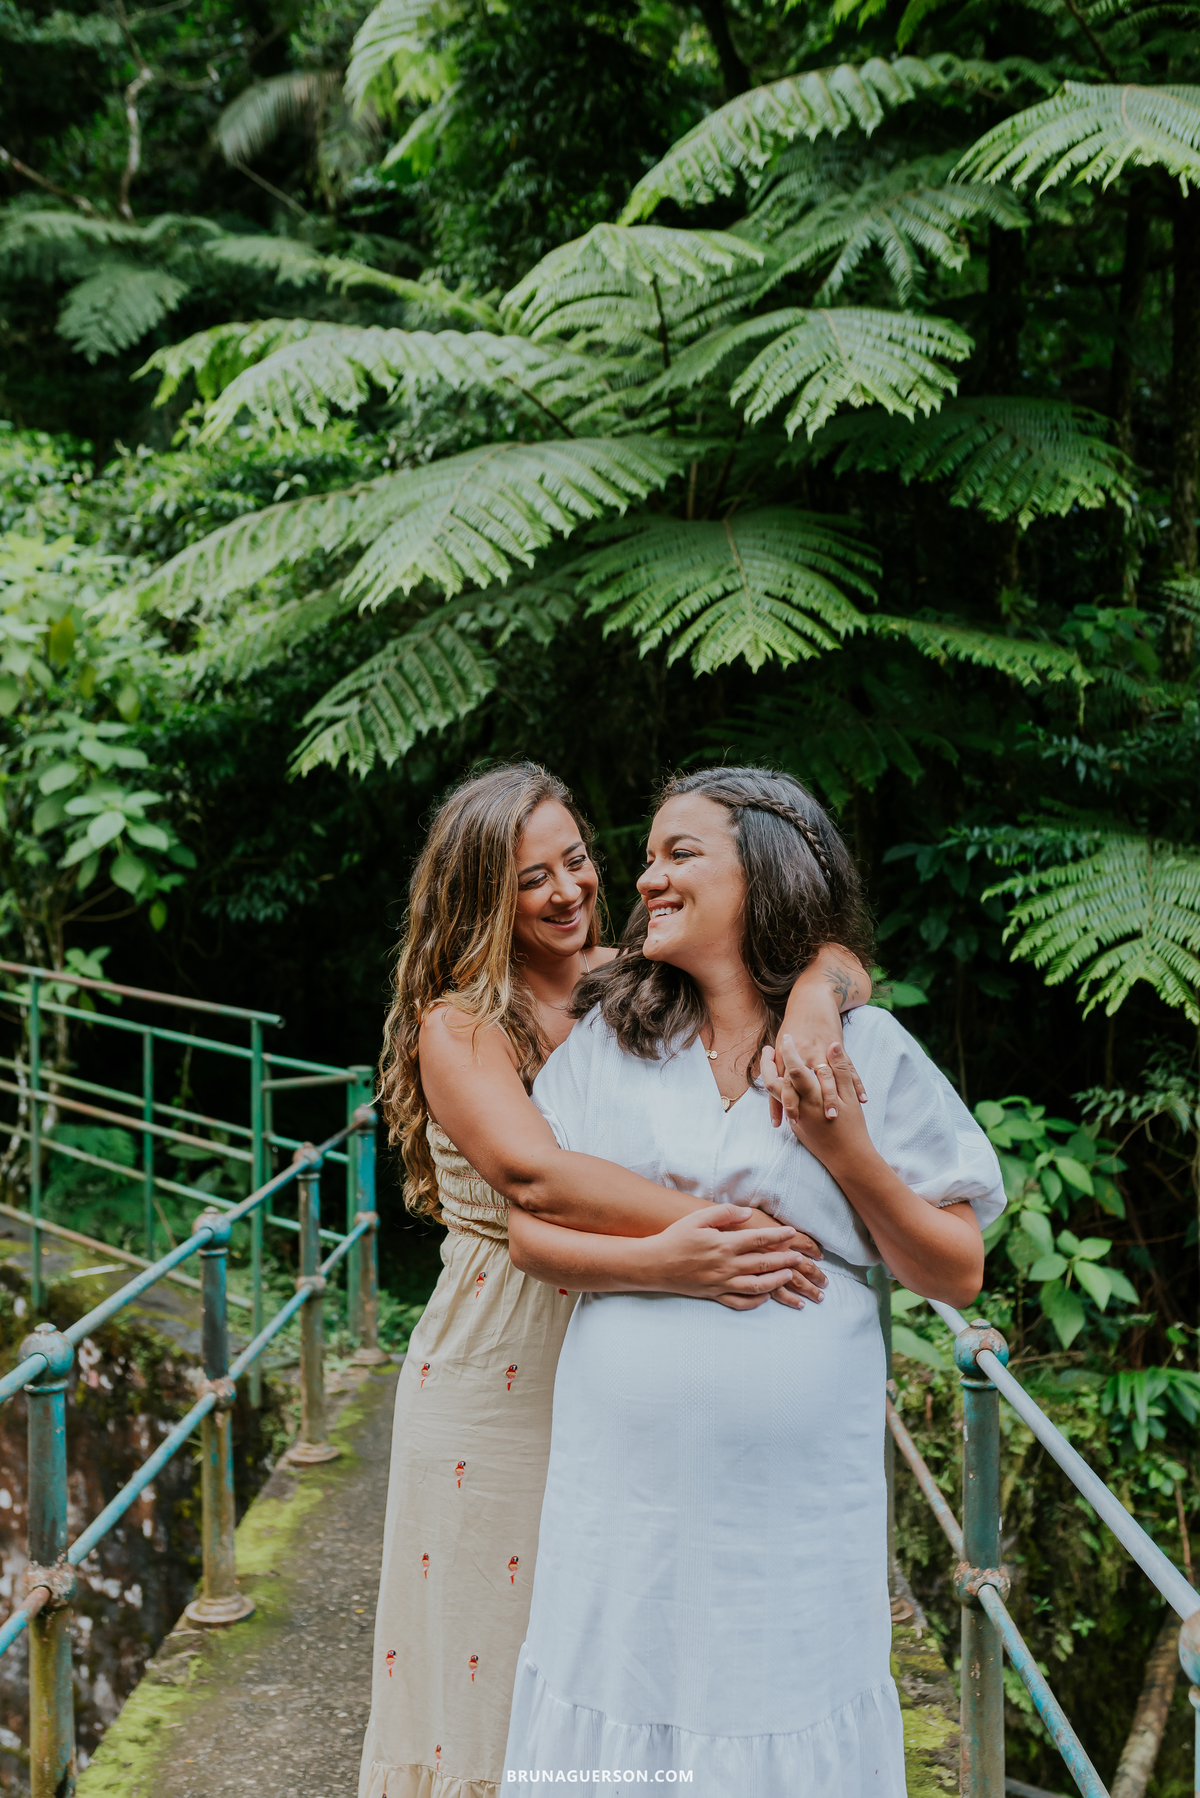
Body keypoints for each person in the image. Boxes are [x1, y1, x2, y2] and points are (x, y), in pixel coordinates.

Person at [359, 762, 873, 1798]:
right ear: (477, 897)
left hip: (634, 1356)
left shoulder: (636, 978)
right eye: (528, 878)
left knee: (620, 1652)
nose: (566, 890)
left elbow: (800, 945)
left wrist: (819, 995)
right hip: (498, 1358)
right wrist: (713, 1234)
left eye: (576, 860)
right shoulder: (460, 1025)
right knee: (491, 1649)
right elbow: (533, 1175)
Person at [503, 765, 1006, 1797]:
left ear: (767, 873)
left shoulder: (863, 1047)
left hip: (790, 1512)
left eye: (680, 853)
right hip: (624, 1496)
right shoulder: (613, 1038)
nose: (644, 878)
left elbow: (956, 1270)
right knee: (618, 1683)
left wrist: (846, 1147)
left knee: (778, 1697)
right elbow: (533, 1233)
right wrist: (667, 1261)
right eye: (645, 856)